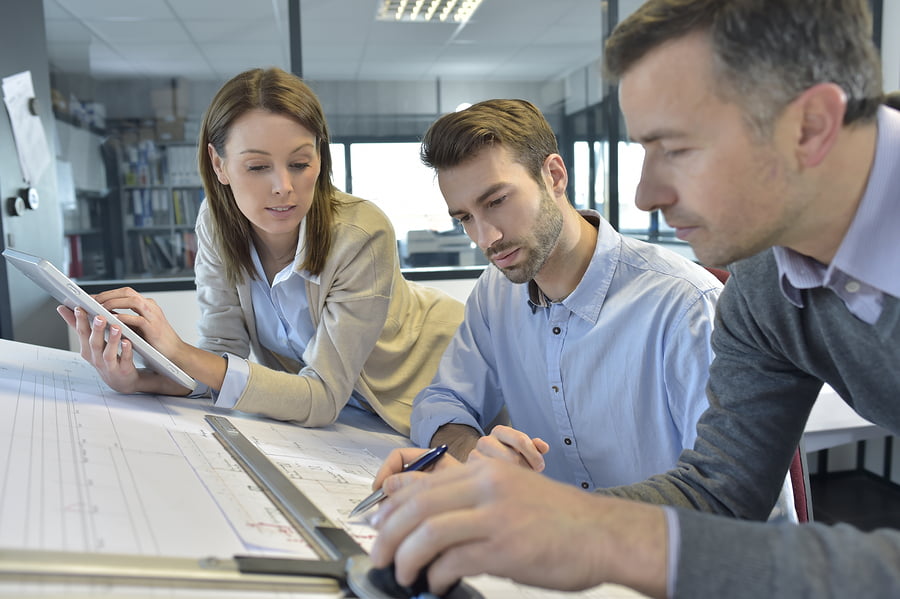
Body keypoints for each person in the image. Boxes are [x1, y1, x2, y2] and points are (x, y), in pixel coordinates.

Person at [366, 0, 900, 597]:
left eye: (676, 147)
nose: (644, 195)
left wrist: (589, 533)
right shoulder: (764, 284)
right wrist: (522, 510)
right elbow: (721, 491)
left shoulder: (692, 298)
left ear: (810, 126)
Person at [58, 67, 463, 436]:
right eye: (257, 167)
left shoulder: (359, 233)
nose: (283, 186)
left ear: (320, 158)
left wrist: (177, 350)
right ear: (219, 165)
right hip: (346, 414)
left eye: (300, 163)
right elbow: (220, 357)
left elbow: (321, 397)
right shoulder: (216, 224)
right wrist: (137, 380)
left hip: (437, 380)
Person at [398, 98, 728, 495]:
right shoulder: (495, 291)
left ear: (554, 176)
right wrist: (473, 453)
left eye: (497, 201)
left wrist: (568, 524)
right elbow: (440, 402)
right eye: (465, 217)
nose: (485, 238)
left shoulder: (685, 306)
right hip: (542, 542)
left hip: (659, 551)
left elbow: (731, 496)